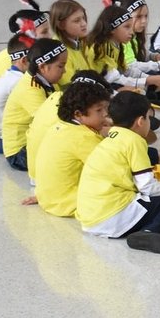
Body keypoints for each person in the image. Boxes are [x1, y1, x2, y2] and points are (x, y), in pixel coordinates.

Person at [74, 89, 160, 253]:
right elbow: (147, 187)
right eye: (148, 117)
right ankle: (152, 232)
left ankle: (146, 229)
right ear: (140, 121)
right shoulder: (134, 141)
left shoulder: (109, 139)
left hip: (90, 219)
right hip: (113, 214)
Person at [32, 80, 112, 219]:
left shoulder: (60, 127)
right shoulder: (84, 138)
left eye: (106, 109)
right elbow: (110, 169)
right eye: (99, 110)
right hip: (70, 203)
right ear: (78, 114)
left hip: (49, 199)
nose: (105, 114)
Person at [2, 40, 68, 171]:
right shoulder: (30, 89)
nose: (65, 71)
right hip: (19, 153)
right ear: (43, 67)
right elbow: (48, 122)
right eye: (61, 66)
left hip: (32, 142)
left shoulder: (46, 80)